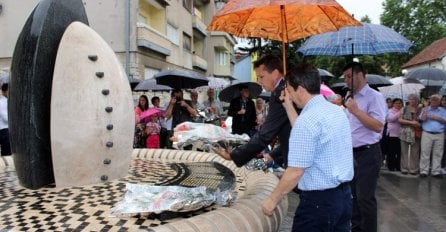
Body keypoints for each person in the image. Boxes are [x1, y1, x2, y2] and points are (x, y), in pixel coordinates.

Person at [262, 64, 353, 231]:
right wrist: (288, 106)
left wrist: (272, 200)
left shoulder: (308, 120)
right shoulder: (336, 111)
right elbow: (308, 136)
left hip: (319, 204)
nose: (287, 93)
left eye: (289, 89)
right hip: (344, 197)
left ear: (301, 89)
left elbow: (296, 171)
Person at [215, 54, 292, 168]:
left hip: (297, 162)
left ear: (275, 74)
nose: (259, 82)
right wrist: (272, 155)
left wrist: (233, 155)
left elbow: (265, 135)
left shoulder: (280, 94)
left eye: (261, 77)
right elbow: (290, 133)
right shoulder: (285, 89)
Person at [343, 62, 387, 232]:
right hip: (351, 153)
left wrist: (356, 111)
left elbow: (378, 126)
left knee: (365, 198)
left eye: (349, 76)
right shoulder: (350, 97)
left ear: (360, 75)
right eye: (345, 77)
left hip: (368, 153)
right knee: (352, 197)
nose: (346, 80)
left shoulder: (374, 97)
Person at [418, 94, 446, 178]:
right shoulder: (425, 109)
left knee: (438, 153)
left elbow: (445, 121)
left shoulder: (443, 110)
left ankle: (436, 171)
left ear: (439, 101)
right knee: (425, 152)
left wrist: (436, 118)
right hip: (427, 133)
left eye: (436, 100)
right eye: (433, 100)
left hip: (439, 134)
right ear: (430, 100)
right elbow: (422, 119)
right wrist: (426, 109)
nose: (434, 101)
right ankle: (424, 171)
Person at [399, 94, 421, 175]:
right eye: (410, 99)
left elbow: (420, 122)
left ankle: (414, 169)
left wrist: (414, 121)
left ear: (417, 100)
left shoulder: (420, 109)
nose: (412, 101)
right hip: (404, 132)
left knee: (415, 152)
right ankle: (404, 168)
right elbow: (400, 120)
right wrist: (411, 122)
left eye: (414, 99)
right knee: (404, 151)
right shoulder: (404, 108)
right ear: (408, 100)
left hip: (415, 132)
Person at [385, 98, 403, 171]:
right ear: (393, 104)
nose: (398, 104)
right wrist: (399, 113)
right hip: (391, 134)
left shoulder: (403, 111)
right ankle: (391, 166)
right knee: (391, 151)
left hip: (400, 134)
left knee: (399, 152)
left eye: (399, 103)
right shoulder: (389, 111)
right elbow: (391, 119)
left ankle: (398, 166)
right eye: (396, 103)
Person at [0, 83, 11, 156]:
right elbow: (5, 118)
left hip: (6, 130)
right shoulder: (2, 102)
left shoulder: (7, 101)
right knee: (7, 153)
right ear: (4, 91)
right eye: (9, 91)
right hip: (4, 131)